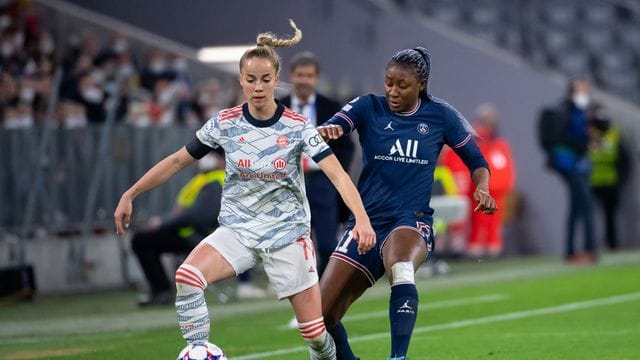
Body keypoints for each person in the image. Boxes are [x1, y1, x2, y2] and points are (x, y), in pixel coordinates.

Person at [114, 20, 375, 359]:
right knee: (188, 276)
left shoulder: (297, 127)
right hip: (237, 230)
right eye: (250, 79)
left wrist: (362, 221)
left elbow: (339, 176)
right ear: (240, 80)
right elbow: (178, 161)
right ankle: (198, 351)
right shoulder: (225, 123)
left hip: (286, 235)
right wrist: (130, 193)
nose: (258, 87)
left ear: (276, 81)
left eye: (266, 79)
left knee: (314, 334)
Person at [317, 47, 497, 360]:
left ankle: (398, 357)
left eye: (402, 85)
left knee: (401, 268)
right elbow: (339, 122)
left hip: (410, 220)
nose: (393, 91)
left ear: (421, 85)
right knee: (320, 317)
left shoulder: (441, 115)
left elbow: (477, 161)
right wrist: (330, 128)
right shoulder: (368, 106)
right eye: (388, 83)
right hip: (366, 222)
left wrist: (482, 187)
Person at [280, 51, 354, 276]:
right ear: (291, 76)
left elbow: (347, 146)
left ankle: (322, 292)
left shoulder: (330, 107)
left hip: (322, 181)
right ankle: (299, 292)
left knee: (327, 244)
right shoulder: (277, 107)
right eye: (300, 75)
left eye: (309, 75)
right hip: (288, 183)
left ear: (316, 78)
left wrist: (335, 175)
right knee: (292, 247)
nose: (304, 80)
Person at [131, 150, 225, 306]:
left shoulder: (217, 181)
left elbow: (197, 216)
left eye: (213, 155)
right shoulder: (203, 179)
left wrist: (163, 223)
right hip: (186, 232)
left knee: (141, 241)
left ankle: (162, 291)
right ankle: (161, 290)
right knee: (143, 240)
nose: (207, 158)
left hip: (197, 236)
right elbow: (183, 210)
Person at [538, 78, 596, 263]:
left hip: (576, 163)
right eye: (582, 91)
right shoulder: (563, 110)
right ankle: (589, 250)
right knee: (586, 205)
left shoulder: (578, 111)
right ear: (571, 92)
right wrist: (585, 144)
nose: (585, 95)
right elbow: (561, 137)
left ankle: (571, 251)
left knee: (577, 206)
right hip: (568, 163)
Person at [466, 104, 516, 257]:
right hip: (479, 190)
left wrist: (506, 186)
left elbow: (507, 167)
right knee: (478, 220)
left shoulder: (500, 144)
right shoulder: (473, 142)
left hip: (497, 191)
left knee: (494, 221)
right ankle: (476, 248)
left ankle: (492, 247)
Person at [587, 104, 631, 250]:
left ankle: (612, 245)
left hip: (611, 181)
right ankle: (591, 246)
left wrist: (621, 177)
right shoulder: (588, 134)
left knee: (610, 216)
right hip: (593, 182)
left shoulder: (613, 134)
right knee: (590, 217)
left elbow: (623, 158)